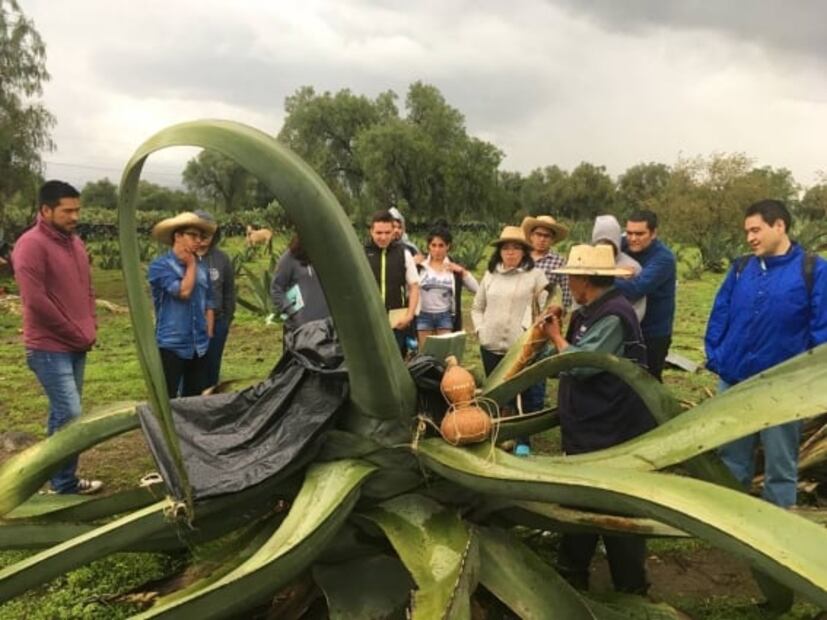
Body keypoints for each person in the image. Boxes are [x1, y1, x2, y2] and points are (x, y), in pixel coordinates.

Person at [540, 243, 655, 594]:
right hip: (589, 426)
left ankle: (630, 587)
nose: (569, 284)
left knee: (615, 509)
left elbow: (582, 364)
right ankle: (572, 573)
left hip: (612, 430)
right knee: (579, 502)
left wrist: (555, 337)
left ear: (585, 280)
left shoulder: (614, 316)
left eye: (571, 278)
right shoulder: (589, 311)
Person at [705, 199, 827, 508]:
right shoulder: (740, 269)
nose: (750, 238)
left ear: (779, 226)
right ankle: (729, 519)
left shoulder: (813, 270)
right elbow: (720, 314)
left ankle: (776, 525)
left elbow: (822, 329)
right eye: (747, 231)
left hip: (782, 388)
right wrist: (718, 357)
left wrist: (806, 378)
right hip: (735, 381)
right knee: (731, 458)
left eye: (756, 230)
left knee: (780, 465)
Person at [12, 180, 102, 494]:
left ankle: (60, 481)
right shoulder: (30, 245)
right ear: (46, 210)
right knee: (70, 414)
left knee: (62, 414)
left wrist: (90, 325)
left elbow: (87, 289)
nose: (75, 216)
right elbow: (35, 301)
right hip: (48, 347)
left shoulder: (75, 243)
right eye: (67, 211)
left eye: (77, 210)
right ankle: (62, 483)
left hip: (77, 343)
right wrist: (75, 332)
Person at [471, 226, 548, 456]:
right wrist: (480, 330)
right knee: (496, 393)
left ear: (524, 251)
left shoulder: (535, 276)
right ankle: (498, 434)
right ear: (500, 251)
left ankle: (523, 440)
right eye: (506, 248)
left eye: (516, 248)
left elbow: (542, 308)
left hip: (520, 347)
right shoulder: (491, 275)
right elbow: (477, 307)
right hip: (490, 344)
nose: (511, 253)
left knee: (523, 392)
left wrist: (528, 333)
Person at [148, 212, 217, 399]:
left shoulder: (203, 268)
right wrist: (191, 265)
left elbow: (209, 301)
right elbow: (183, 292)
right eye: (193, 235)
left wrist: (209, 332)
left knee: (194, 399)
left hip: (199, 344)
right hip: (172, 343)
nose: (198, 241)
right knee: (168, 397)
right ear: (177, 236)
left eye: (201, 237)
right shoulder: (160, 266)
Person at [614, 210, 676, 381]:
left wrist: (604, 276)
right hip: (625, 327)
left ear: (653, 233)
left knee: (648, 381)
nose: (633, 238)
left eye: (640, 234)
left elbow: (636, 288)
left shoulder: (663, 258)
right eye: (629, 233)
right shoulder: (622, 245)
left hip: (652, 332)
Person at [365, 210, 420, 355]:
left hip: (397, 321)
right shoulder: (361, 253)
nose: (383, 237)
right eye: (379, 233)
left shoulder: (403, 253)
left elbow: (414, 286)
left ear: (393, 231)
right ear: (371, 231)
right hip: (369, 321)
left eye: (387, 232)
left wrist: (409, 316)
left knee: (397, 359)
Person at [416, 225, 479, 348]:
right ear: (428, 246)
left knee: (445, 352)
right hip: (423, 315)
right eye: (434, 245)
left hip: (444, 316)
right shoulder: (420, 267)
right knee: (424, 353)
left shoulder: (453, 268)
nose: (437, 250)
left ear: (448, 246)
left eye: (441, 245)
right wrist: (411, 264)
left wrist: (462, 271)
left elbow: (476, 288)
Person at [193, 210, 235, 388]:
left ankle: (210, 398)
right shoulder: (182, 257)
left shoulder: (222, 259)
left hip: (217, 323)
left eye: (208, 233)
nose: (203, 237)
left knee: (212, 366)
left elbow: (229, 293)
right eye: (198, 232)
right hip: (189, 325)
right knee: (190, 369)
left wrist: (226, 320)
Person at [591, 214, 646, 322]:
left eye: (609, 244)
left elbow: (638, 306)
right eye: (600, 243)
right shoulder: (585, 263)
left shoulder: (632, 267)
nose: (605, 250)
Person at [270, 234, 331, 331]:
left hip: (327, 326)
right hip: (301, 328)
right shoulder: (289, 258)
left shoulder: (328, 254)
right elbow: (276, 289)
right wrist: (292, 312)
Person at [521, 214, 572, 311]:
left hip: (544, 313)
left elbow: (566, 294)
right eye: (538, 234)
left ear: (552, 240)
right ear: (531, 236)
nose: (542, 239)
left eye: (547, 236)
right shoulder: (521, 258)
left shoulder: (559, 262)